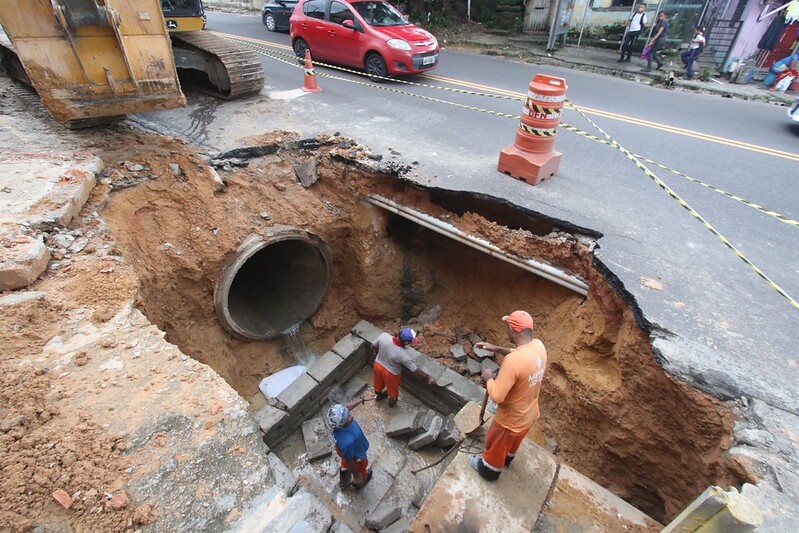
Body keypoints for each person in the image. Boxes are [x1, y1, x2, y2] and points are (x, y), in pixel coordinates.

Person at [468, 310, 547, 481]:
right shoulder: (539, 346)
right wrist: (495, 348)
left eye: (507, 326)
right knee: (512, 445)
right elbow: (521, 355)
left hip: (510, 421)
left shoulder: (512, 362)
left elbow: (497, 396)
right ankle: (507, 459)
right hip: (529, 414)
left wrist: (489, 379)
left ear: (512, 329)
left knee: (494, 448)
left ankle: (489, 469)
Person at [373, 327, 436, 407]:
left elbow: (373, 345)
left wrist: (377, 353)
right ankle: (391, 405)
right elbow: (415, 370)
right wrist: (428, 377)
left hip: (377, 365)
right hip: (390, 373)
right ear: (406, 342)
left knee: (377, 385)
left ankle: (378, 397)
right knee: (393, 393)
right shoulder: (403, 355)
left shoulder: (384, 336)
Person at [327, 393, 377, 490]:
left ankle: (344, 477)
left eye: (348, 412)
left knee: (345, 462)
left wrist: (362, 399)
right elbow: (350, 460)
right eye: (348, 417)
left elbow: (346, 407)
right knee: (359, 467)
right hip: (357, 457)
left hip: (346, 452)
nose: (351, 415)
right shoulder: (347, 442)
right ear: (342, 424)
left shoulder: (337, 422)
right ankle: (359, 482)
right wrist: (357, 475)